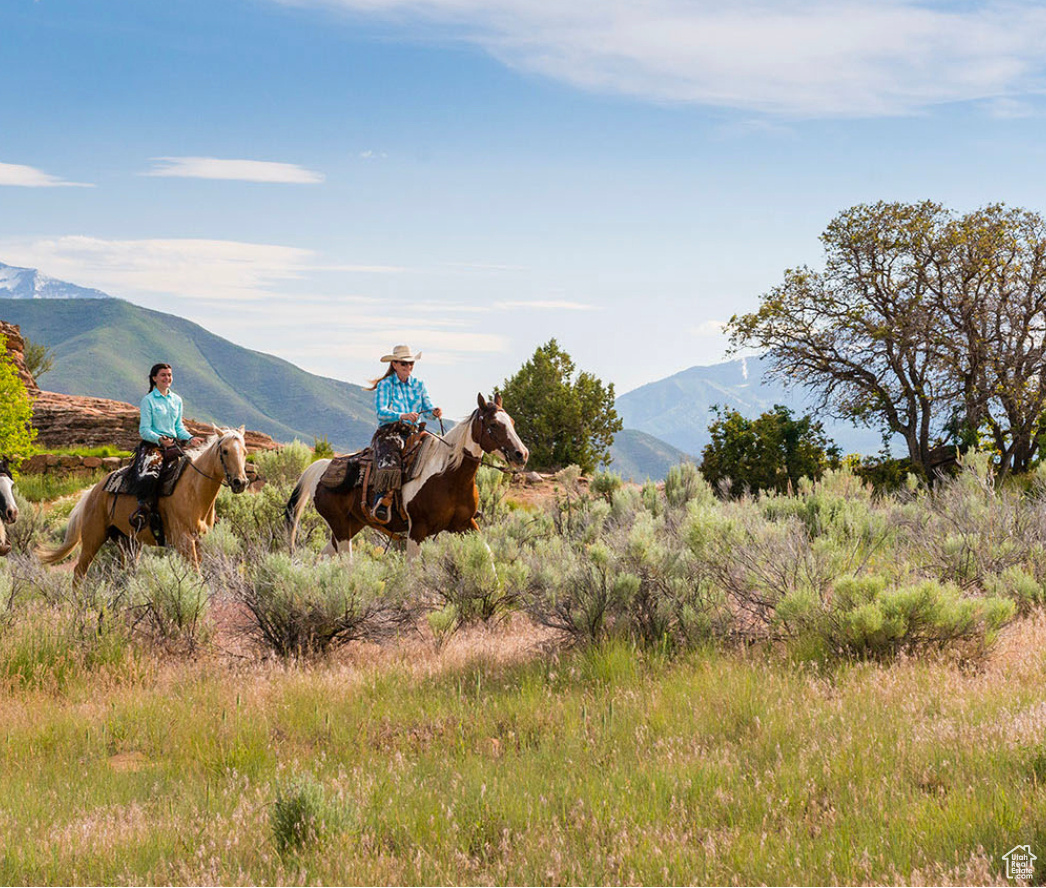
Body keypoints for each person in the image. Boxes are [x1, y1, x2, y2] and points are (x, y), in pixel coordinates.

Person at [365, 345, 443, 522]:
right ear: (394, 364)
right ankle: (381, 503)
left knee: (437, 450)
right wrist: (401, 416)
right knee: (390, 459)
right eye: (404, 364)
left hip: (413, 432)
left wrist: (434, 412)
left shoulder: (419, 385)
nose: (408, 367)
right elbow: (381, 411)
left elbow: (427, 408)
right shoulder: (385, 384)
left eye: (411, 364)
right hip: (390, 432)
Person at [129, 363, 203, 533]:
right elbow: (144, 430)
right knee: (150, 473)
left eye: (169, 375)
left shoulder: (177, 400)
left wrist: (190, 438)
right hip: (153, 446)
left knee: (195, 469)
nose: (167, 378)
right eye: (163, 375)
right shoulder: (148, 400)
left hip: (174, 445)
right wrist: (160, 439)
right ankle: (143, 509)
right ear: (154, 378)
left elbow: (178, 428)